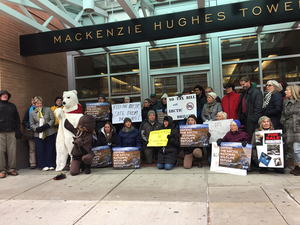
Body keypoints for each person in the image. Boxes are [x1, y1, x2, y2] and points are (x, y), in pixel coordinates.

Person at [30, 96, 56, 171]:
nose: (39, 105)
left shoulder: (48, 109)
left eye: (40, 103)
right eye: (37, 103)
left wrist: (47, 125)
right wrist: (36, 128)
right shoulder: (32, 113)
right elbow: (32, 123)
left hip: (49, 132)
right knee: (41, 149)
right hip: (39, 134)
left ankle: (51, 164)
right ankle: (43, 165)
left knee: (50, 149)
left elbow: (52, 119)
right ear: (34, 104)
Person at [0, 90, 22, 178]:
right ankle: (2, 170)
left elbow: (17, 119)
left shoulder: (12, 106)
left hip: (11, 132)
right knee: (0, 152)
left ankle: (11, 169)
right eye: (3, 94)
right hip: (0, 133)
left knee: (12, 151)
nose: (5, 96)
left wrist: (18, 131)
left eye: (6, 95)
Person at [280, 85, 300, 176]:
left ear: (293, 91)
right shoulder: (287, 102)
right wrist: (283, 121)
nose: (285, 92)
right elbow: (284, 114)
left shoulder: (298, 102)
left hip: (297, 128)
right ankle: (297, 166)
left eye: (287, 90)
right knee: (293, 149)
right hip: (289, 128)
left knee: (296, 149)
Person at [22, 97, 37, 169]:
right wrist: (28, 125)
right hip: (30, 132)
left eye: (35, 100)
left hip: (39, 130)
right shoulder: (28, 110)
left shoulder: (41, 110)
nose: (33, 102)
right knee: (32, 148)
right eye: (32, 100)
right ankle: (33, 163)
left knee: (40, 147)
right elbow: (24, 120)